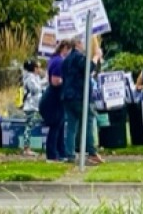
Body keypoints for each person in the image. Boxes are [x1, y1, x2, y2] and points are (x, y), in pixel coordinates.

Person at [61, 36, 104, 165]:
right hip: (80, 96)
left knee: (71, 126)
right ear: (78, 44)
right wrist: (96, 57)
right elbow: (88, 68)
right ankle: (91, 152)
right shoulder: (78, 57)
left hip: (68, 97)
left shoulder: (66, 59)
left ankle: (69, 154)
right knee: (88, 122)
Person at [40, 40, 72, 163]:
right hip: (53, 99)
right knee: (55, 126)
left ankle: (61, 153)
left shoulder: (54, 59)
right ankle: (52, 155)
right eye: (69, 50)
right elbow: (55, 81)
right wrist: (67, 81)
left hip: (53, 98)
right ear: (64, 48)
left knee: (60, 126)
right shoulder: (59, 61)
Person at [21, 60, 46, 157]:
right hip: (30, 105)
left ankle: (27, 147)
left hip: (35, 105)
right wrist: (45, 81)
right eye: (38, 67)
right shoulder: (29, 78)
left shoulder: (35, 77)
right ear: (34, 68)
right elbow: (35, 89)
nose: (40, 69)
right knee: (29, 126)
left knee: (30, 126)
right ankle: (26, 148)